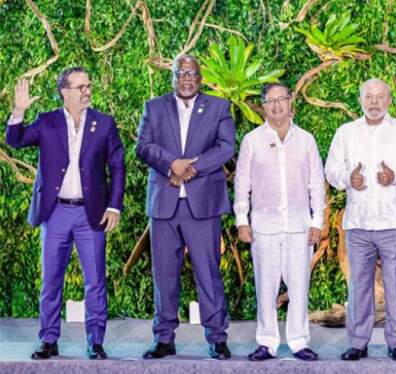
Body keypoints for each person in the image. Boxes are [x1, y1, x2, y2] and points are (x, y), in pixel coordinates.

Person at [6, 68, 125, 360]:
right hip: (55, 212)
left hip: (91, 214)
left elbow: (118, 165)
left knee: (95, 281)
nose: (87, 90)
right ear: (65, 92)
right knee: (51, 280)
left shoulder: (104, 123)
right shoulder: (47, 122)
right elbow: (15, 141)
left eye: (89, 85)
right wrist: (18, 111)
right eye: (81, 86)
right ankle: (48, 340)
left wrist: (114, 206)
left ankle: (95, 342)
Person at [135, 54, 236, 360]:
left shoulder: (219, 107)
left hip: (202, 204)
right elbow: (143, 146)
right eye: (181, 73)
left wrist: (192, 167)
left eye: (192, 73)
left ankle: (217, 337)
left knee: (208, 273)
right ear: (173, 77)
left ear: (201, 78)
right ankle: (164, 338)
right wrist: (171, 165)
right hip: (164, 204)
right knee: (164, 274)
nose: (186, 78)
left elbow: (226, 147)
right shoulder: (153, 107)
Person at [325, 78, 396, 361]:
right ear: (360, 99)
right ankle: (358, 341)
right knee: (358, 287)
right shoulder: (346, 133)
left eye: (380, 97)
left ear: (390, 100)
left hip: (395, 222)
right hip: (359, 223)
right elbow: (331, 169)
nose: (374, 102)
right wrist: (348, 178)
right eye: (369, 96)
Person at [234, 82, 325, 361]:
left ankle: (299, 341)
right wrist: (242, 219)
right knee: (266, 286)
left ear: (290, 102)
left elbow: (316, 184)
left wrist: (317, 221)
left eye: (281, 99)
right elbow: (242, 183)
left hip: (299, 225)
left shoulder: (306, 140)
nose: (276, 105)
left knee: (299, 286)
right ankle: (267, 342)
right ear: (263, 105)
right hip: (264, 225)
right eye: (270, 101)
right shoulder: (252, 140)